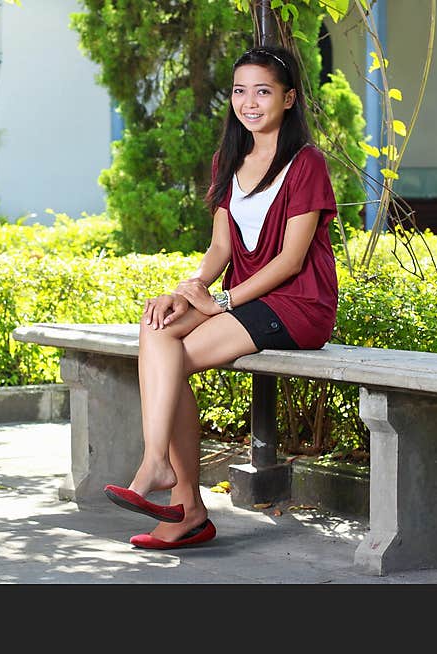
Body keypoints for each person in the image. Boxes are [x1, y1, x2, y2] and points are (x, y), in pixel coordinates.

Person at [103, 45, 339, 549]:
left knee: (173, 359)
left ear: (289, 98)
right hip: (247, 298)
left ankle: (178, 496)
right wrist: (192, 289)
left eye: (263, 91)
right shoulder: (228, 159)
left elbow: (291, 261)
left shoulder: (307, 163)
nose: (248, 102)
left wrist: (224, 301)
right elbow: (220, 245)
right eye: (239, 90)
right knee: (157, 325)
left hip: (298, 304)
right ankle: (166, 475)